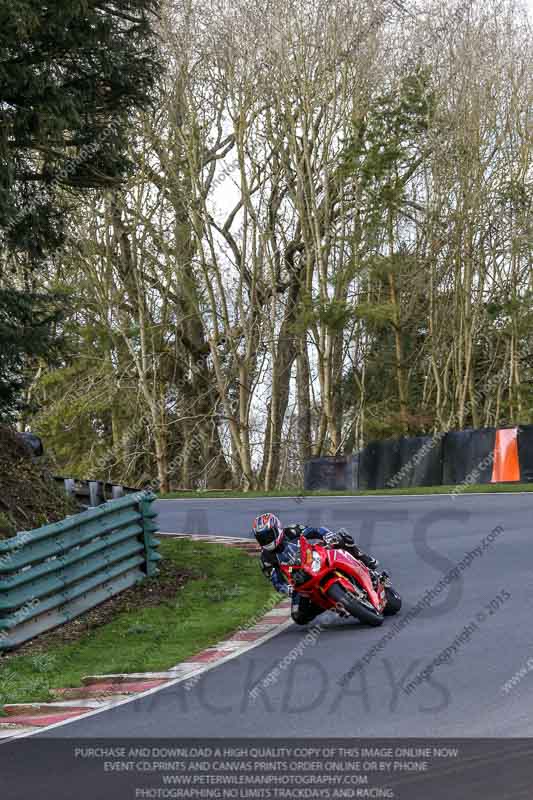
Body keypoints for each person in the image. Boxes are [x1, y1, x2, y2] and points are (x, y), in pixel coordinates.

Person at [251, 513, 380, 625]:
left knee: (342, 537)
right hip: (299, 579)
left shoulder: (291, 530)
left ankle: (364, 558)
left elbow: (314, 531)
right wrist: (287, 589)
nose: (266, 540)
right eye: (261, 538)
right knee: (298, 616)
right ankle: (328, 602)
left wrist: (327, 535)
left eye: (268, 535)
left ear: (277, 529)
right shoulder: (265, 559)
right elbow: (276, 581)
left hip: (313, 557)